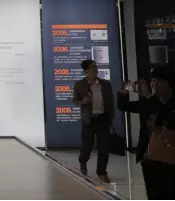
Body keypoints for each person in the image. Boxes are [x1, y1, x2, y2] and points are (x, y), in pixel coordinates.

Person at [118, 67, 174, 199]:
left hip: (169, 157)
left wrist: (148, 96)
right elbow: (124, 106)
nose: (153, 84)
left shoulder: (167, 103)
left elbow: (168, 116)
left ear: (168, 83)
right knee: (154, 194)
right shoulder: (149, 102)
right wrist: (123, 93)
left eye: (158, 81)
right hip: (149, 156)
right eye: (152, 81)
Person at [73, 59, 114, 183]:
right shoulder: (80, 85)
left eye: (95, 67)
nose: (95, 70)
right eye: (92, 68)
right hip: (89, 120)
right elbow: (75, 101)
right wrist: (84, 101)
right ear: (86, 71)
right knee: (87, 146)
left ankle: (101, 172)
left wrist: (110, 117)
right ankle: (83, 161)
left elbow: (110, 101)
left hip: (103, 119)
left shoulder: (105, 84)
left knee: (104, 148)